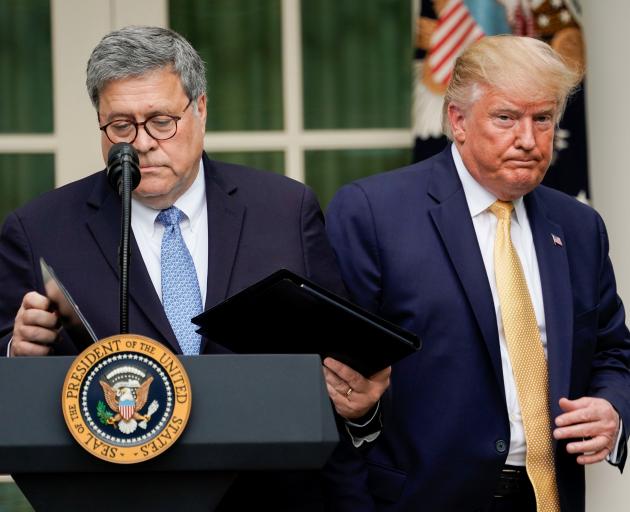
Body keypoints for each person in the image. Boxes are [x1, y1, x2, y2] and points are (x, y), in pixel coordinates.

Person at [0, 26, 389, 510]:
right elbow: (9, 390)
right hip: (122, 497)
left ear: (200, 110)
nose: (141, 143)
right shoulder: (39, 229)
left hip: (273, 498)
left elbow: (345, 365)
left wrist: (360, 405)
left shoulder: (284, 209)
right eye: (120, 126)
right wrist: (19, 354)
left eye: (162, 121)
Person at [326, 35, 630, 512]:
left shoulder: (579, 226)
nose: (528, 140)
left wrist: (612, 406)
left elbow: (613, 350)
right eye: (506, 117)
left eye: (543, 119)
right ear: (457, 121)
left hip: (550, 498)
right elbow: (333, 382)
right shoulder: (372, 213)